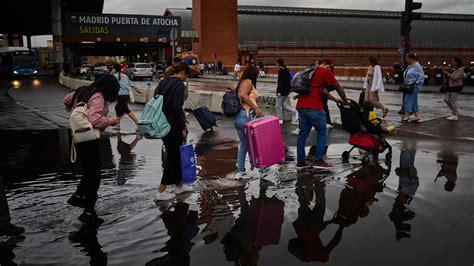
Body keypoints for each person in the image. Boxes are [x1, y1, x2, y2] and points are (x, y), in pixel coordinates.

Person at [64, 74, 120, 225]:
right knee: (94, 174)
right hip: (88, 137)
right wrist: (111, 121)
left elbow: (67, 99)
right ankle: (88, 213)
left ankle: (77, 197)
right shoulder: (98, 97)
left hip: (77, 135)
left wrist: (74, 110)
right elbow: (95, 119)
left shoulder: (83, 90)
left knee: (90, 170)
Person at [296, 59, 349, 169]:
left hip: (301, 106)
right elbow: (338, 86)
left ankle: (300, 161)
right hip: (314, 107)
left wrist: (335, 100)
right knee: (322, 132)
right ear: (328, 65)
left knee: (302, 135)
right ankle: (318, 160)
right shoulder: (324, 71)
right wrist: (345, 100)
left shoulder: (310, 71)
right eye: (331, 67)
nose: (331, 70)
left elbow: (323, 91)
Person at [154, 63, 193, 201]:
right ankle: (161, 191)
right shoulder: (179, 85)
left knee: (175, 155)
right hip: (173, 126)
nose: (185, 79)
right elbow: (177, 108)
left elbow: (156, 100)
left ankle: (179, 185)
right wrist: (182, 125)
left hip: (161, 123)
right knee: (172, 156)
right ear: (182, 72)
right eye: (186, 76)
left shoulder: (163, 82)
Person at [233, 65, 262, 180]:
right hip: (246, 115)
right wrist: (255, 108)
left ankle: (240, 171)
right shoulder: (248, 81)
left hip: (239, 116)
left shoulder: (242, 81)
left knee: (244, 144)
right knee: (256, 143)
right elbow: (243, 95)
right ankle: (263, 168)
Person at [401, 53, 425, 123]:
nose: (406, 60)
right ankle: (417, 116)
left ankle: (407, 116)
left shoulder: (417, 66)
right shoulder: (410, 66)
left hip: (414, 87)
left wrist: (416, 83)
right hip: (409, 86)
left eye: (407, 58)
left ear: (411, 58)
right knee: (414, 102)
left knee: (407, 100)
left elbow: (422, 76)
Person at [276, 58, 298, 124]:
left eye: (276, 63)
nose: (276, 64)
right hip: (287, 90)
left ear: (278, 63)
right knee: (284, 104)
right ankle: (295, 112)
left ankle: (280, 119)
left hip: (282, 91)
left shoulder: (281, 70)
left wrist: (278, 91)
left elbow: (280, 82)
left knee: (278, 105)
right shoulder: (286, 69)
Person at [443, 57, 464, 121]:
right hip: (449, 86)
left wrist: (447, 74)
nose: (451, 62)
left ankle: (455, 116)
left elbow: (455, 78)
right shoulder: (452, 68)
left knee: (453, 101)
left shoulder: (460, 69)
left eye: (452, 61)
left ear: (456, 62)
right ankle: (455, 111)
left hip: (456, 86)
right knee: (446, 99)